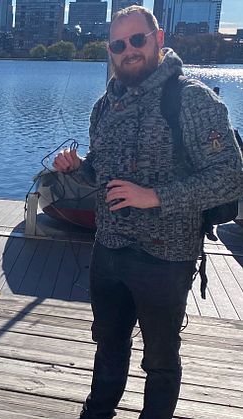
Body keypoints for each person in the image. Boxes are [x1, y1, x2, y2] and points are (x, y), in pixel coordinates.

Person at [53, 6, 243, 419]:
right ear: (111, 51)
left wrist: (154, 196)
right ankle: (97, 412)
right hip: (108, 249)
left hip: (166, 257)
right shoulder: (105, 105)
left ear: (158, 41)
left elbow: (231, 177)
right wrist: (79, 168)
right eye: (119, 45)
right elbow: (103, 176)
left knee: (159, 358)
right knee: (108, 343)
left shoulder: (191, 99)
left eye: (137, 40)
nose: (128, 51)